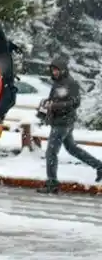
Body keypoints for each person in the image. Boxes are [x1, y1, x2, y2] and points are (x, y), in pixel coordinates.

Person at [37, 55, 102, 193]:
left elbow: (74, 102)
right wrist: (46, 103)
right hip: (60, 121)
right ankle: (99, 166)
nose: (54, 72)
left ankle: (52, 183)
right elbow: (54, 99)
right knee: (72, 149)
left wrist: (55, 106)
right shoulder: (58, 83)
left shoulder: (69, 83)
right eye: (53, 70)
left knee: (51, 153)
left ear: (63, 70)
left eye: (56, 70)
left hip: (63, 122)